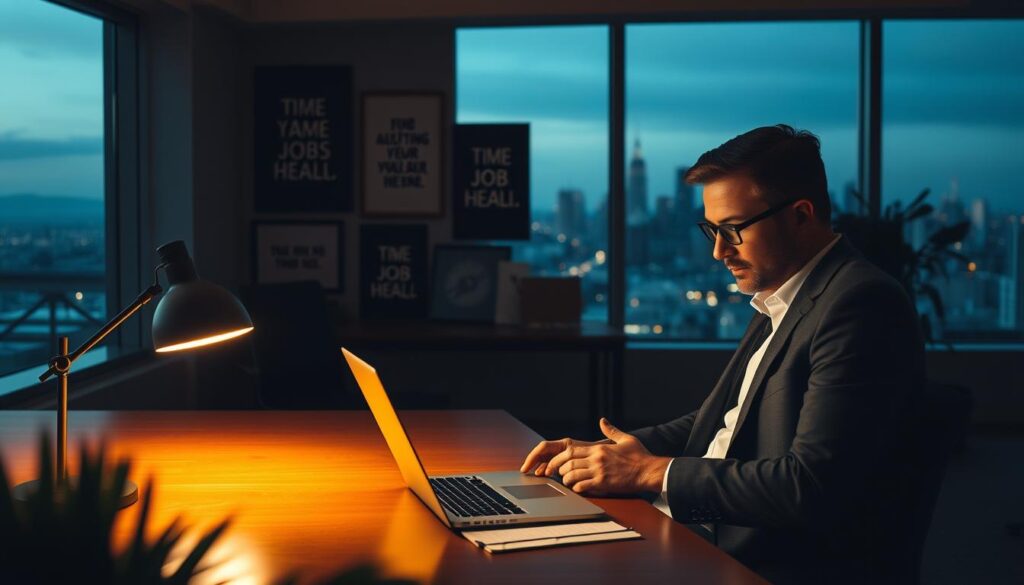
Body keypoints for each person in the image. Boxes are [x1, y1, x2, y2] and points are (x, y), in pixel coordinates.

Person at [521, 125, 926, 584]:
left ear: (800, 215)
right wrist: (608, 455)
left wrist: (652, 473)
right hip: (700, 534)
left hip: (754, 562)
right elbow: (719, 419)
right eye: (711, 230)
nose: (718, 251)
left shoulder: (861, 303)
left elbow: (811, 486)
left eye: (733, 230)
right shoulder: (785, 292)